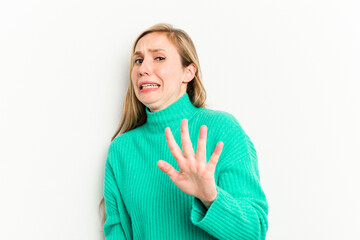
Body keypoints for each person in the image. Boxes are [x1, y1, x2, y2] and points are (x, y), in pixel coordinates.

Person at [99, 23, 268, 240]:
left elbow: (254, 232)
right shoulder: (121, 150)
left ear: (188, 72)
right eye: (138, 60)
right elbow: (117, 233)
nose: (143, 69)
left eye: (158, 58)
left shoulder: (222, 129)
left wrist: (210, 197)